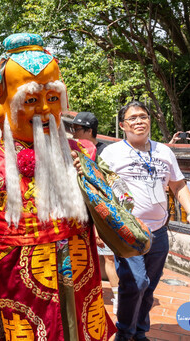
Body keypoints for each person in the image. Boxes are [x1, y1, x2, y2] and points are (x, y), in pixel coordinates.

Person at [0, 33, 118, 340]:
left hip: (79, 272)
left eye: (53, 98)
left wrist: (91, 179)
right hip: (18, 282)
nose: (44, 109)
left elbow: (119, 204)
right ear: (0, 103)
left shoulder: (81, 152)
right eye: (31, 100)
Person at [100, 100, 190, 341]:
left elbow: (178, 185)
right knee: (135, 283)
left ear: (150, 121)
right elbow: (100, 190)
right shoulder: (111, 153)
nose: (138, 121)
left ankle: (140, 331)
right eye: (132, 118)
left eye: (143, 116)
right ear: (123, 125)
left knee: (149, 287)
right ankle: (124, 332)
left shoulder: (164, 152)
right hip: (127, 232)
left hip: (159, 232)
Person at [71, 111, 118, 311]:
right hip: (78, 210)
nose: (73, 133)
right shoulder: (73, 149)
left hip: (99, 209)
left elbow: (109, 183)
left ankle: (117, 298)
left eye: (77, 129)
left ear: (89, 130)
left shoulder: (105, 153)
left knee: (108, 256)